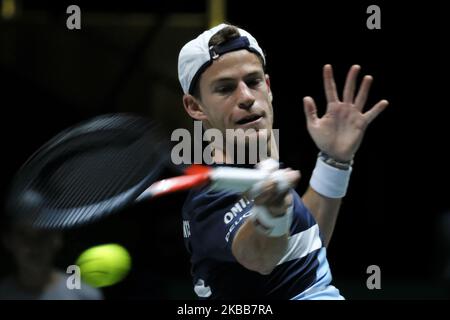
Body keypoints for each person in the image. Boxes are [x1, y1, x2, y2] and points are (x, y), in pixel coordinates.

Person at [178, 23, 388, 299]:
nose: (246, 98)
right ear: (195, 106)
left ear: (267, 86)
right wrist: (270, 216)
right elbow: (260, 258)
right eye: (225, 88)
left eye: (253, 82)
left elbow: (302, 247)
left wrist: (334, 162)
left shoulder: (260, 169)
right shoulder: (209, 198)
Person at [0, 221, 103, 300]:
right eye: (23, 234)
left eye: (42, 234)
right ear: (8, 240)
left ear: (56, 239)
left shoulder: (85, 295)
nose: (34, 244)